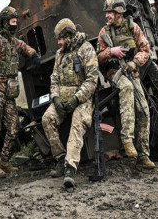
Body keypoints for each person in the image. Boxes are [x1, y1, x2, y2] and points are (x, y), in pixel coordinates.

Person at [96, 0, 155, 169]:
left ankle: (144, 155)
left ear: (119, 13)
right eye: (106, 12)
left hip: (131, 72)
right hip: (115, 74)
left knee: (144, 110)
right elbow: (98, 58)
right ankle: (127, 139)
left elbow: (145, 49)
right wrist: (110, 52)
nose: (107, 16)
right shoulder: (104, 33)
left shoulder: (133, 27)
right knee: (127, 88)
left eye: (110, 12)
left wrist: (135, 62)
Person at [42, 18, 99, 189]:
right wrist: (56, 98)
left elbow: (92, 80)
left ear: (68, 35)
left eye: (60, 38)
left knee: (77, 122)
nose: (58, 43)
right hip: (63, 100)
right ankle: (60, 159)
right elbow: (54, 80)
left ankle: (70, 168)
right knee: (47, 119)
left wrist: (76, 98)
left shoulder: (86, 49)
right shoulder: (59, 55)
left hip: (82, 100)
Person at [0, 6, 41, 178]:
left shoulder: (13, 41)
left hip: (9, 91)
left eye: (16, 22)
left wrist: (33, 55)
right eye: (12, 21)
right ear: (4, 22)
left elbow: (25, 47)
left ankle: (5, 160)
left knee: (14, 127)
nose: (15, 25)